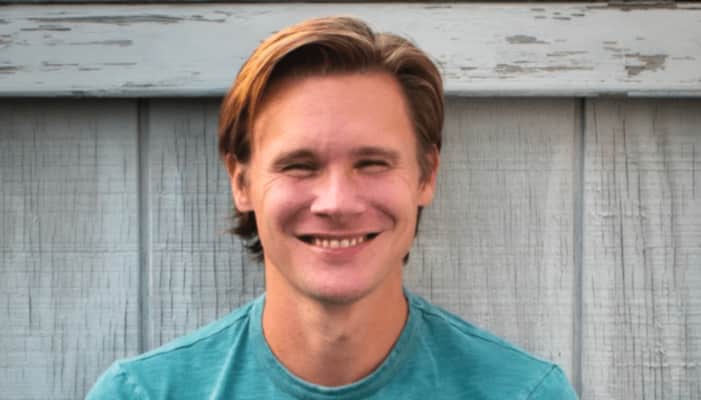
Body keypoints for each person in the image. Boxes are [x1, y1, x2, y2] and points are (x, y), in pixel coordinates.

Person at [87, 16, 578, 399]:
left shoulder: (524, 394)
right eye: (299, 165)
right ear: (242, 181)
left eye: (372, 163)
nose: (337, 203)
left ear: (426, 175)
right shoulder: (143, 394)